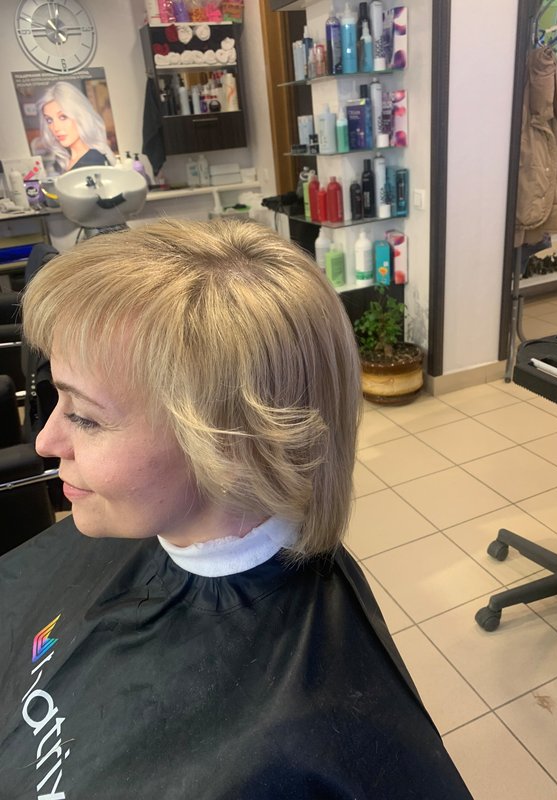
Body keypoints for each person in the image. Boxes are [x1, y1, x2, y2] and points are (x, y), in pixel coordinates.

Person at [0, 219, 472, 799]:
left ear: (226, 443)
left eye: (84, 417)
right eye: (56, 398)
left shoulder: (307, 734)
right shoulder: (136, 526)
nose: (46, 441)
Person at [33, 81, 116, 174]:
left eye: (63, 117)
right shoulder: (64, 159)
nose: (55, 128)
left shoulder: (93, 161)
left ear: (81, 116)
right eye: (49, 120)